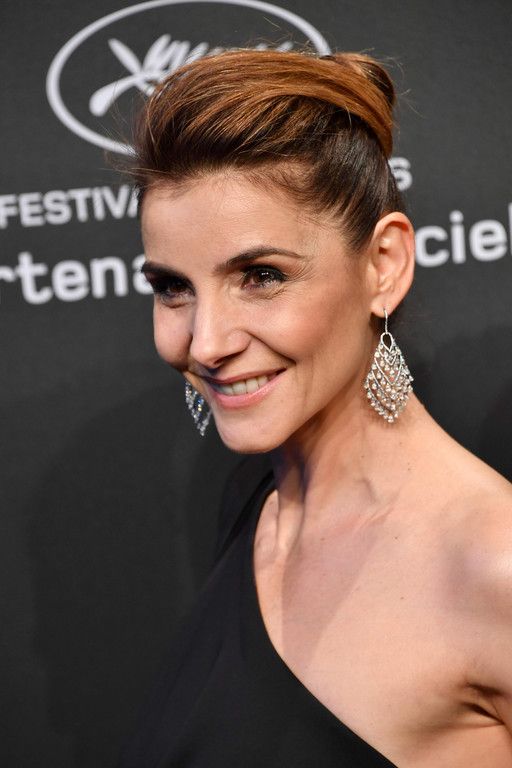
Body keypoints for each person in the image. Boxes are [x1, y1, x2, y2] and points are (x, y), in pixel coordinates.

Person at [119, 49, 512, 767]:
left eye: (261, 276)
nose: (205, 343)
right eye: (173, 288)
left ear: (383, 265)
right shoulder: (258, 503)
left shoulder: (493, 565)